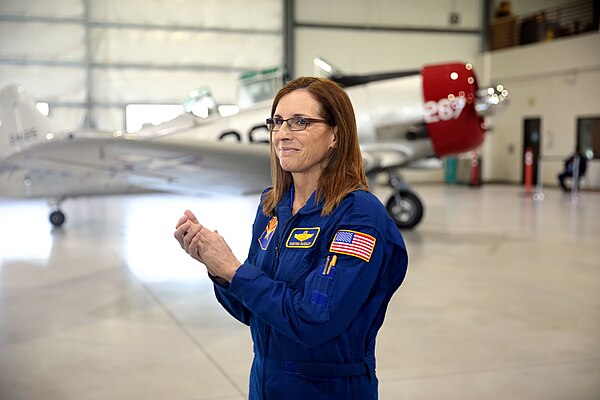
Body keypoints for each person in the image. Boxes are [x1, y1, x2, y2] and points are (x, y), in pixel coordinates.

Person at [174, 77, 408, 399]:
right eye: (277, 122)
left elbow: (313, 321)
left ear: (335, 135)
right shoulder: (273, 206)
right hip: (265, 385)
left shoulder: (359, 217)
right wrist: (218, 269)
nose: (282, 134)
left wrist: (234, 270)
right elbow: (251, 310)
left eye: (300, 122)